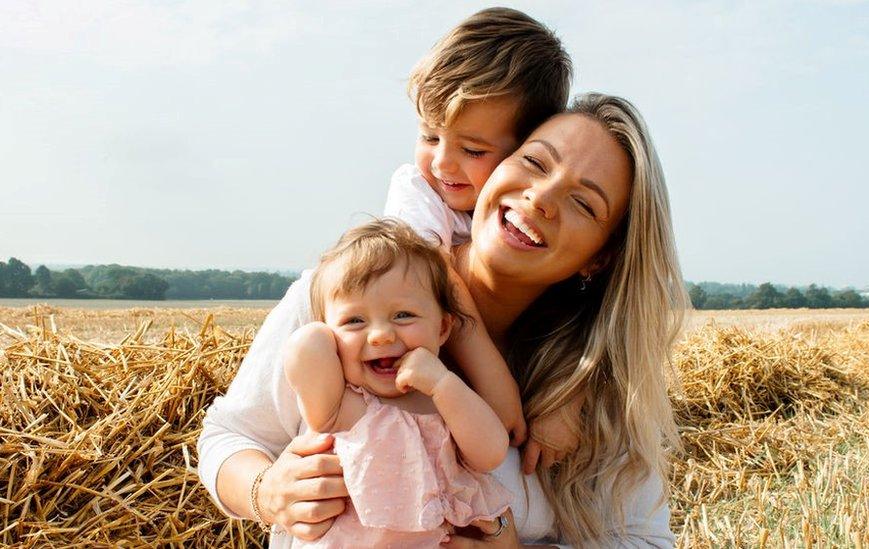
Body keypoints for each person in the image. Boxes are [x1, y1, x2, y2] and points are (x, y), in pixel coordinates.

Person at [198, 93, 687, 548]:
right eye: (534, 162)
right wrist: (267, 490)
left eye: (583, 203)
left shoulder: (595, 387)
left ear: (599, 259)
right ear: (496, 165)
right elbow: (229, 435)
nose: (540, 198)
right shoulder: (343, 299)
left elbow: (647, 540)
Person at [383, 6, 573, 457]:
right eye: (430, 136)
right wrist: (491, 372)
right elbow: (431, 269)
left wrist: (571, 398)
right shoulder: (417, 191)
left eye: (472, 148)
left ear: (526, 151)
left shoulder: (526, 219)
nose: (442, 163)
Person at [282, 219, 511, 547]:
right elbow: (304, 349)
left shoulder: (446, 402)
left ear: (443, 329)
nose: (380, 335)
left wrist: (443, 384)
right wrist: (326, 332)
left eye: (403, 315)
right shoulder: (345, 406)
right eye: (354, 320)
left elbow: (490, 453)